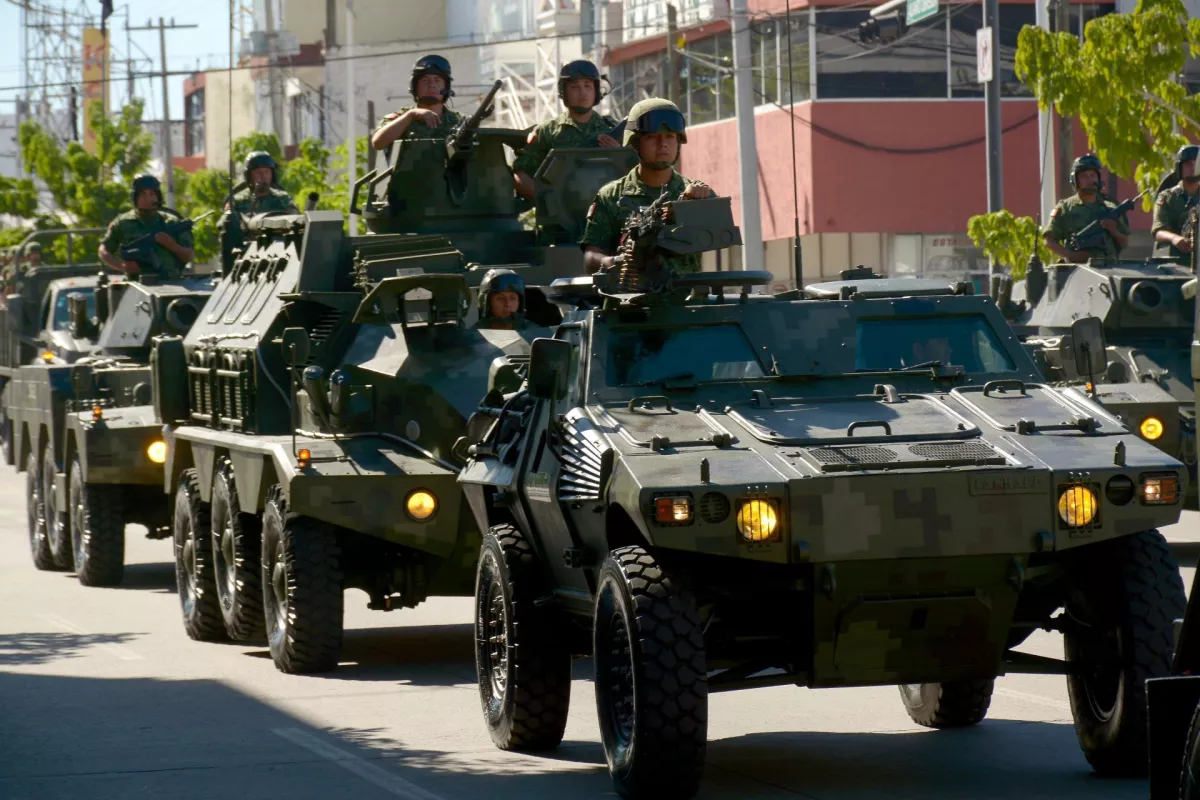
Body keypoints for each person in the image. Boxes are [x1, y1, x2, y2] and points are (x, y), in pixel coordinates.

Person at [580, 98, 713, 275]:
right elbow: (591, 258)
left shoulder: (697, 194)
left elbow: (716, 237)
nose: (662, 143)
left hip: (685, 300)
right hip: (627, 299)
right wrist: (616, 262)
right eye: (652, 137)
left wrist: (698, 205)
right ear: (635, 143)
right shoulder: (611, 196)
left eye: (670, 136)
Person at [512, 60, 621, 200]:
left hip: (605, 214)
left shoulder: (612, 129)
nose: (583, 93)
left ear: (596, 90)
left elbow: (638, 175)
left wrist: (620, 154)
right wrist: (551, 200)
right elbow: (521, 176)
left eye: (588, 86)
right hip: (562, 219)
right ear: (564, 91)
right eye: (575, 87)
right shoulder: (547, 131)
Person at [98, 174, 195, 280]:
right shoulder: (123, 223)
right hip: (136, 286)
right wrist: (122, 266)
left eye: (152, 194)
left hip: (172, 283)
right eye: (142, 194)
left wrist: (172, 245)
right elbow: (103, 251)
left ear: (158, 197)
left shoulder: (172, 222)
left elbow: (189, 256)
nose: (147, 198)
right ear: (135, 197)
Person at [1042, 154, 1129, 263]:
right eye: (1083, 176)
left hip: (1109, 270)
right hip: (1077, 272)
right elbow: (1049, 241)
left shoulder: (1110, 208)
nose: (1089, 180)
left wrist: (1114, 231)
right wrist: (1070, 255)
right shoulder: (1065, 208)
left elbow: (1124, 243)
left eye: (1093, 175)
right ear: (1075, 180)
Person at [371, 55, 463, 150]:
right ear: (415, 87)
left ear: (446, 87)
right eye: (425, 80)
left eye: (437, 80)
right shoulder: (401, 118)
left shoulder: (460, 122)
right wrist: (411, 115)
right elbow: (378, 143)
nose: (431, 85)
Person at [1152, 144, 1200, 265]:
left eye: (1196, 163)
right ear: (1180, 167)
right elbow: (1158, 231)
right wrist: (1175, 239)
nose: (1193, 167)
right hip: (1175, 262)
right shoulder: (1167, 197)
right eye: (1188, 163)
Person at [228, 151, 297, 215]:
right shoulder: (237, 202)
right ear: (249, 176)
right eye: (257, 173)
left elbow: (296, 220)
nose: (263, 176)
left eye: (267, 172)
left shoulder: (283, 199)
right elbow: (224, 225)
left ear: (272, 175)